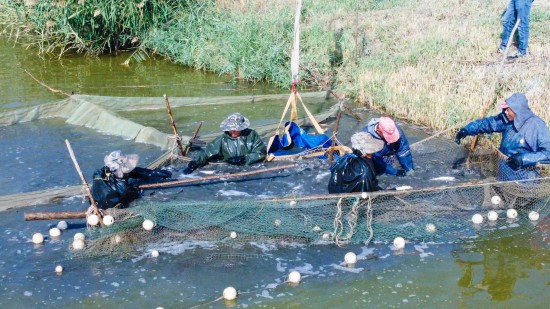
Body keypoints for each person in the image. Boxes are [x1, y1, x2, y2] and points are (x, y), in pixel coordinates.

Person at [455, 93, 550, 181]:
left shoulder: (537, 125)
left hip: (525, 179)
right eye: (504, 110)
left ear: (517, 110)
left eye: (508, 110)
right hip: (504, 174)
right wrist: (466, 130)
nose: (505, 113)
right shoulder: (507, 120)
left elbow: (548, 153)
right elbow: (488, 123)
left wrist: (523, 159)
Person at [183, 112, 267, 174]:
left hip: (249, 169)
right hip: (230, 170)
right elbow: (206, 152)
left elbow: (260, 152)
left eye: (235, 129)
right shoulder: (223, 139)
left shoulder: (251, 135)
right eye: (230, 129)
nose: (232, 131)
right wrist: (194, 163)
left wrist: (244, 159)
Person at [91, 151, 172, 209]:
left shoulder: (108, 170)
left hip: (110, 194)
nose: (128, 170)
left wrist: (157, 173)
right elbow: (115, 202)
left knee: (142, 175)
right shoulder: (112, 188)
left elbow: (138, 172)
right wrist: (131, 194)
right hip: (107, 203)